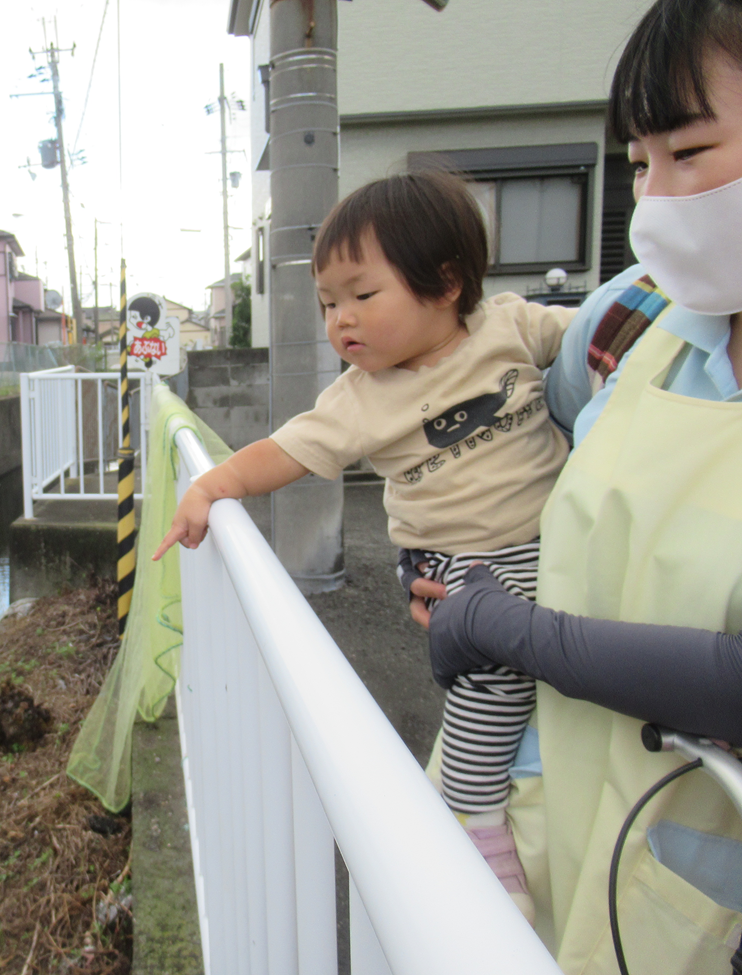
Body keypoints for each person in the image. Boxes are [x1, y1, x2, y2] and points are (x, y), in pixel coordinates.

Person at [153, 169, 574, 919]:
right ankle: (477, 840)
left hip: (558, 543)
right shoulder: (359, 398)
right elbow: (282, 451)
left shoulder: (509, 326)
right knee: (491, 701)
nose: (339, 319)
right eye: (327, 304)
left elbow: (600, 341)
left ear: (446, 282)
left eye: (361, 295)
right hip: (464, 572)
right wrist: (211, 487)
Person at [427, 1, 742, 970]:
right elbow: (521, 447)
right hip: (533, 800)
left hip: (692, 875)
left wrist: (507, 630)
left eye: (690, 152)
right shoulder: (632, 319)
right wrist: (467, 571)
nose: (655, 200)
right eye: (641, 162)